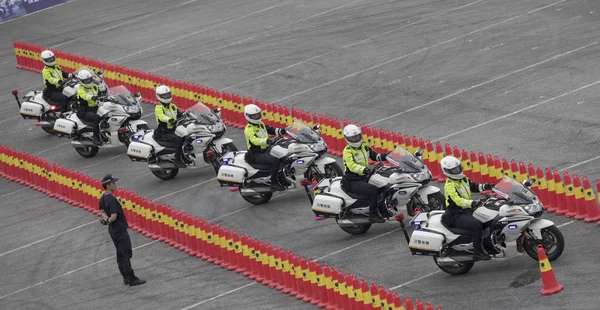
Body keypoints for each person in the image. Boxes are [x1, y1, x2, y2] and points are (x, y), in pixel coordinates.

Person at [440, 155, 495, 261]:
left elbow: (474, 186)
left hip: (468, 210)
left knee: (489, 216)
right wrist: (473, 203)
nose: (457, 170)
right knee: (476, 224)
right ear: (447, 171)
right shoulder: (449, 185)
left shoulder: (463, 178)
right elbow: (458, 201)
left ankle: (490, 244)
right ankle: (477, 252)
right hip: (456, 214)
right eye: (454, 169)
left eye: (458, 168)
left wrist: (487, 186)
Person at [99, 174, 146, 286]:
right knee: (126, 253)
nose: (115, 185)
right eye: (113, 183)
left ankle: (125, 276)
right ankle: (131, 277)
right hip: (119, 229)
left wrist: (106, 219)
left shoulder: (103, 197)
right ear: (108, 185)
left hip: (113, 230)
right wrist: (109, 220)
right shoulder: (111, 199)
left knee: (120, 253)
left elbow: (102, 211)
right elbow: (114, 216)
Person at [340, 124, 388, 223]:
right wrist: (364, 170)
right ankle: (373, 214)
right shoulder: (348, 151)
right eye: (353, 137)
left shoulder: (364, 145)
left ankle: (384, 208)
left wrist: (386, 156)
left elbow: (373, 155)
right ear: (348, 138)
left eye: (357, 136)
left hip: (365, 176)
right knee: (372, 190)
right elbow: (351, 166)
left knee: (384, 184)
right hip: (353, 180)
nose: (356, 138)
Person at [243, 104, 287, 191]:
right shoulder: (249, 129)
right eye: (254, 115)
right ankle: (274, 183)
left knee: (284, 154)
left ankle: (284, 176)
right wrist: (267, 140)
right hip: (256, 153)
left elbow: (270, 129)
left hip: (266, 149)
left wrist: (281, 131)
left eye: (258, 114)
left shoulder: (260, 124)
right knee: (274, 160)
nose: (257, 116)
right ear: (248, 116)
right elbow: (254, 140)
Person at [154, 85, 186, 168]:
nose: (166, 97)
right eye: (164, 96)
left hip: (174, 129)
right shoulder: (158, 107)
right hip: (164, 132)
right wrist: (169, 120)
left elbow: (179, 113)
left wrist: (187, 115)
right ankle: (177, 160)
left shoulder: (172, 105)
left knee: (186, 135)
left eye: (168, 94)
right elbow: (161, 116)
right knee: (178, 140)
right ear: (159, 96)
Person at [41, 50, 75, 114]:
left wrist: (72, 75)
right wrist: (58, 81)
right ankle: (63, 113)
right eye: (48, 59)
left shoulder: (56, 66)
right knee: (63, 98)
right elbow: (50, 79)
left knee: (72, 94)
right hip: (52, 91)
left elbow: (63, 73)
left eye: (51, 58)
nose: (51, 60)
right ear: (44, 60)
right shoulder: (45, 71)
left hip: (60, 87)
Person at [77, 69, 102, 145]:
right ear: (81, 81)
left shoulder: (94, 86)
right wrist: (92, 97)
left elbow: (101, 93)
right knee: (96, 118)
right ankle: (95, 137)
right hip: (85, 111)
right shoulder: (81, 89)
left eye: (89, 79)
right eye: (86, 80)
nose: (88, 81)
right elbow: (84, 95)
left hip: (96, 108)